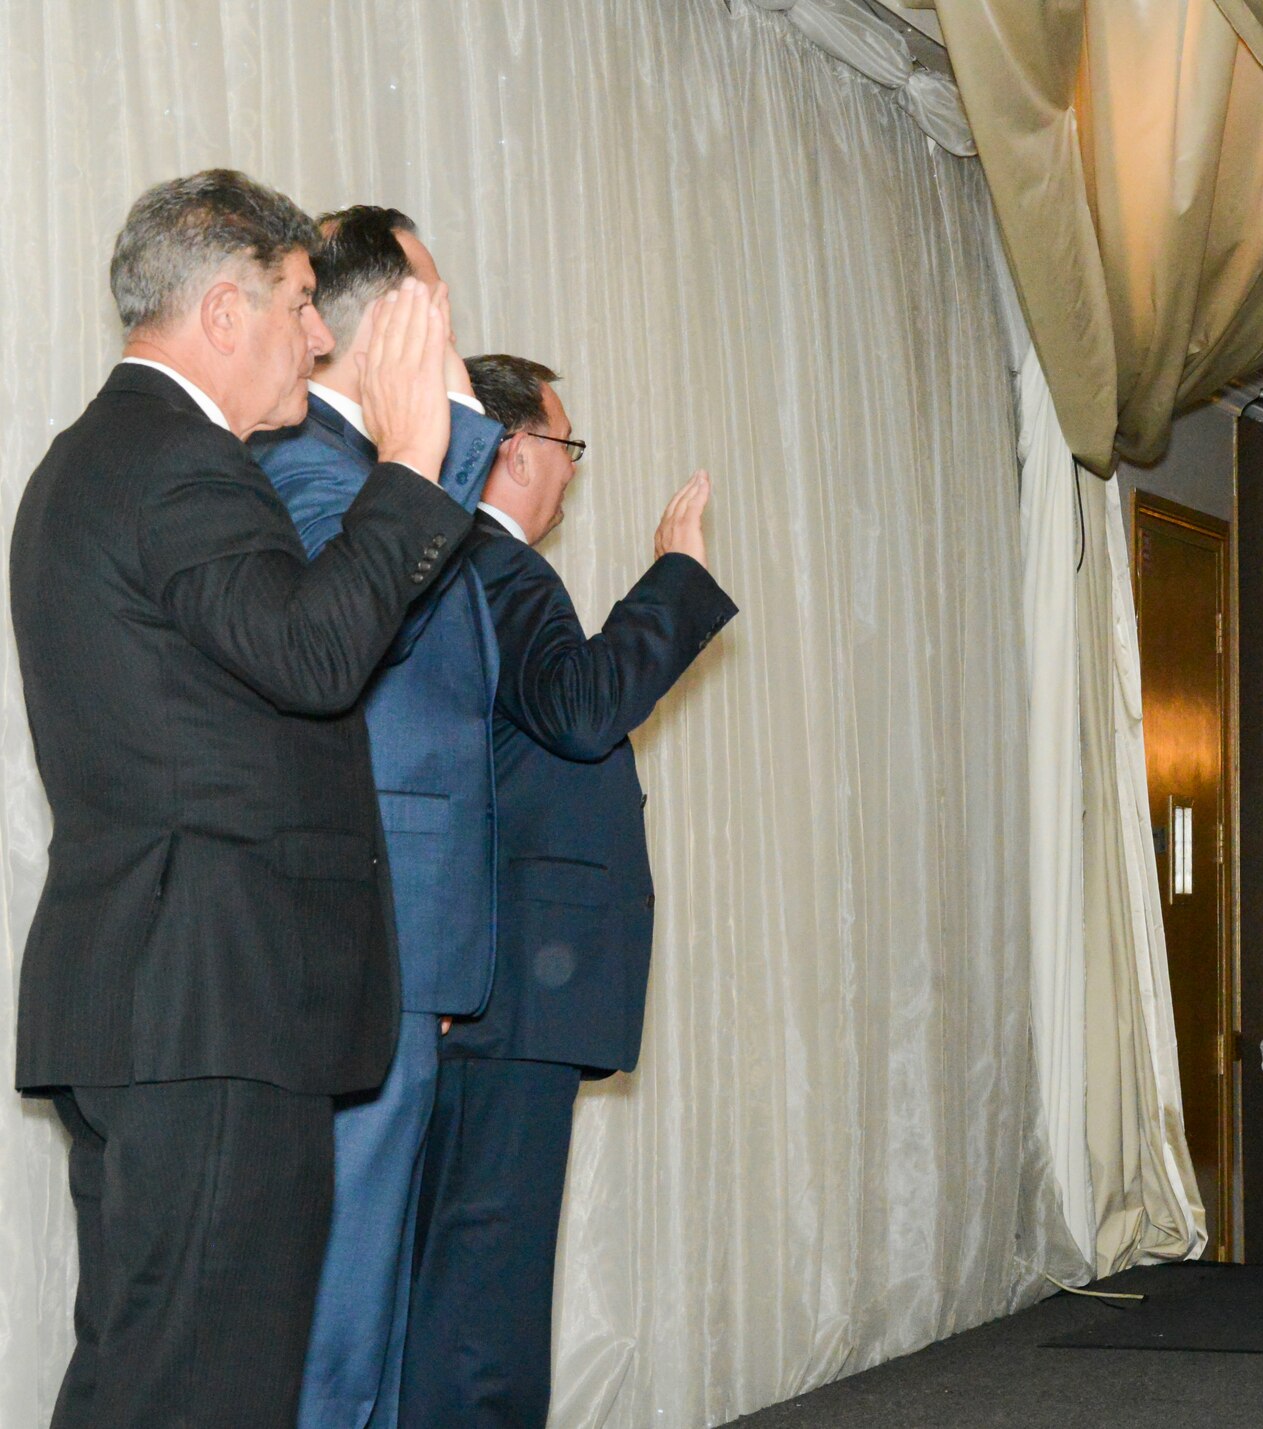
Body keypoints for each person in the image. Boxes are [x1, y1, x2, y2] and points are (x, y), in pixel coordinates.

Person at [8, 170, 463, 1429]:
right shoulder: (180, 465)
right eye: (304, 301)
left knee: (142, 1384)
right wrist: (412, 463)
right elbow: (315, 656)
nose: (319, 338)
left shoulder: (98, 460)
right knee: (205, 1394)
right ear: (224, 308)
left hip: (151, 1002)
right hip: (209, 1003)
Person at [400, 355, 735, 1427]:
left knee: (459, 1258)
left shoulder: (451, 566)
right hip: (510, 978)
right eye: (566, 449)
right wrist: (673, 576)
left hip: (480, 972)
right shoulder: (497, 569)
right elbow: (582, 708)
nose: (571, 476)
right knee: (485, 1276)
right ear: (513, 448)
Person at [252, 205, 505, 1429]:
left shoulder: (360, 472)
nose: (453, 321)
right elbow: (352, 651)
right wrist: (445, 446)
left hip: (414, 929)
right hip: (372, 923)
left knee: (382, 1276)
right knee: (346, 1282)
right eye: (434, 297)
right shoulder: (313, 469)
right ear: (381, 319)